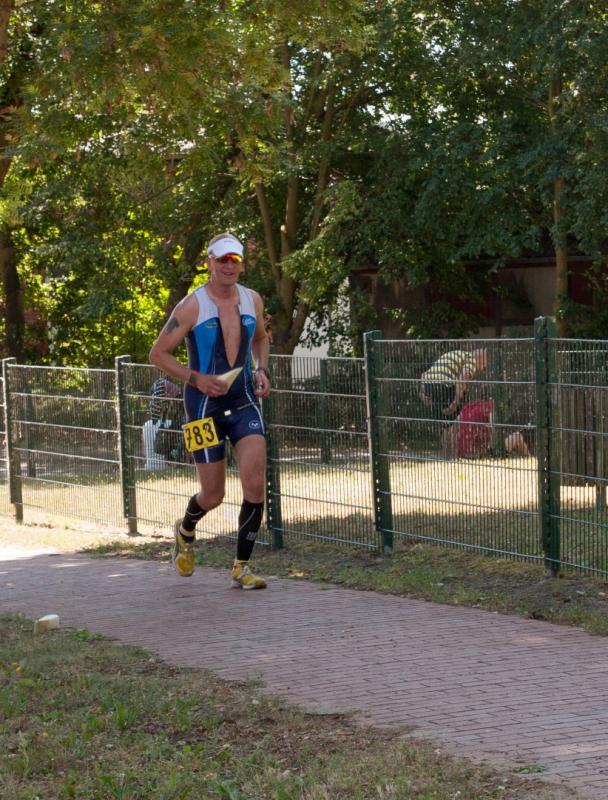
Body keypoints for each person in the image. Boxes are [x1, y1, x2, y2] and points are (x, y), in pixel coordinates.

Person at [149, 232, 271, 589]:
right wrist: (196, 379)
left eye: (235, 260)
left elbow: (261, 337)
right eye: (222, 260)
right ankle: (186, 530)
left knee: (255, 484)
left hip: (244, 401)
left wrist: (261, 369)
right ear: (209, 263)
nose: (229, 266)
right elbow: (158, 354)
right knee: (213, 495)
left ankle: (242, 566)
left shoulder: (252, 299)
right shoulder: (191, 306)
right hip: (202, 407)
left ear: (242, 265)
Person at [442, 398, 534, 459]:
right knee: (517, 437)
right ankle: (529, 460)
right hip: (481, 454)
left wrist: (454, 456)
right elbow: (493, 428)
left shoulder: (468, 407)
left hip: (463, 453)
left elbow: (452, 429)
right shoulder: (491, 407)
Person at [421, 348, 488, 418]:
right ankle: (450, 421)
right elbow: (462, 379)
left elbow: (424, 375)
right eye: (483, 366)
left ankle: (439, 418)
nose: (481, 369)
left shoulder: (457, 353)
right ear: (481, 360)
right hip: (442, 387)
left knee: (437, 410)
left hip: (428, 385)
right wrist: (455, 402)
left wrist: (423, 392)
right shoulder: (471, 360)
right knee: (463, 394)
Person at [142, 377, 181, 470]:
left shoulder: (146, 425)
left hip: (149, 468)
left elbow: (144, 452)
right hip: (167, 468)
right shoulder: (173, 424)